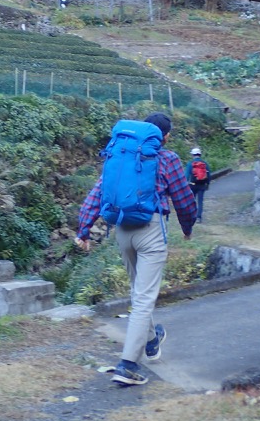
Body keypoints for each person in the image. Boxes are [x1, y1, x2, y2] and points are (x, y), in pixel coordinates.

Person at [75, 112, 197, 386]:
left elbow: (98, 192)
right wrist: (188, 227)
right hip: (151, 231)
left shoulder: (122, 154)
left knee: (138, 294)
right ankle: (127, 365)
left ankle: (152, 340)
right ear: (165, 136)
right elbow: (183, 198)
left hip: (122, 231)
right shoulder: (167, 158)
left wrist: (84, 230)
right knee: (143, 299)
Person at [185, 147, 210, 224]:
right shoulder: (205, 163)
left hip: (192, 185)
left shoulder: (190, 163)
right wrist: (207, 184)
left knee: (192, 201)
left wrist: (185, 184)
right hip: (202, 185)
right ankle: (199, 217)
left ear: (192, 155)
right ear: (200, 154)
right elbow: (208, 175)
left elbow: (186, 175)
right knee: (200, 201)